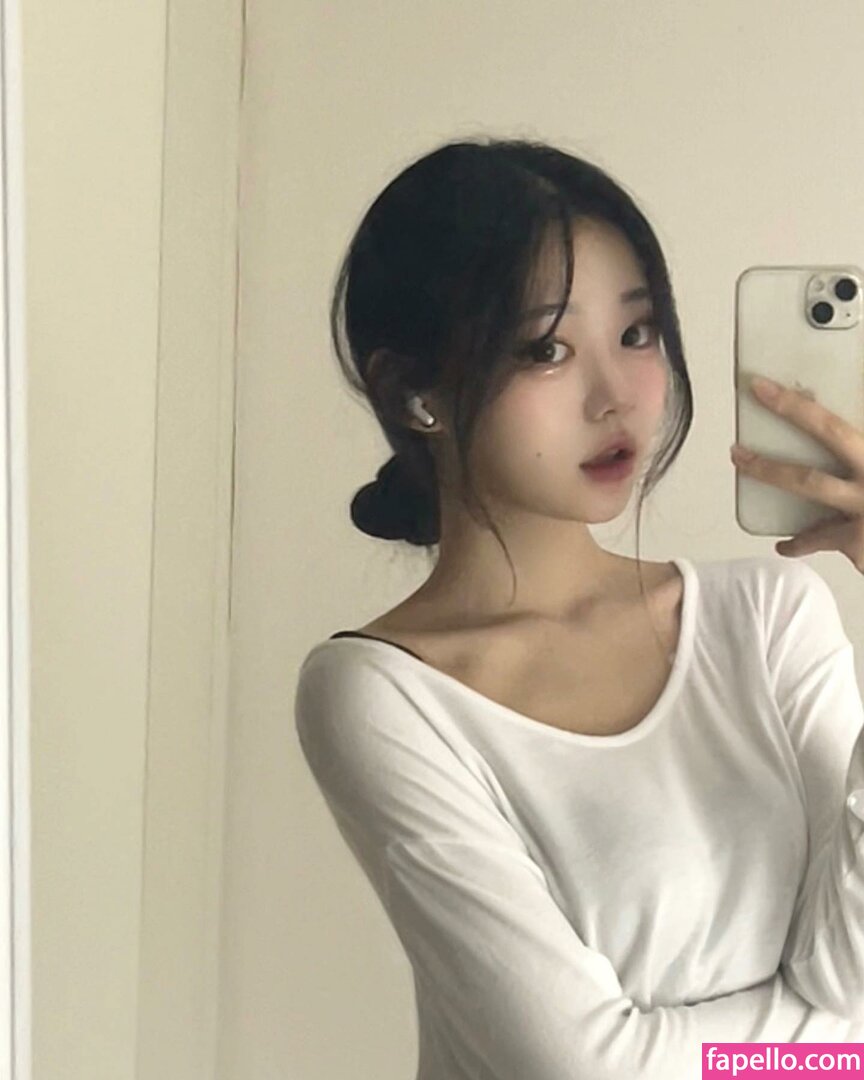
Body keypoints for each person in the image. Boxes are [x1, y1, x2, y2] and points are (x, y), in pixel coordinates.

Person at [293, 137, 864, 1079]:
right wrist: (832, 1049)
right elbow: (586, 1068)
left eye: (637, 333)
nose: (616, 398)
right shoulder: (382, 692)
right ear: (415, 391)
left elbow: (856, 978)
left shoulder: (769, 616)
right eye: (546, 349)